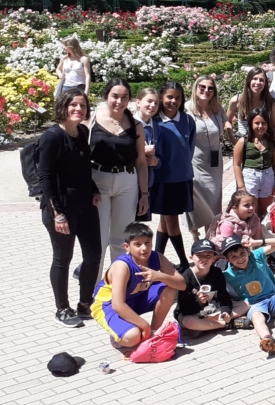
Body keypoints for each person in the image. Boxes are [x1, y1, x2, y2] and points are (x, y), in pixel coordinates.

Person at [40, 89, 103, 327]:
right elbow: (45, 177)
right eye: (73, 105)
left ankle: (85, 303)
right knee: (62, 258)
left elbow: (83, 169)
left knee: (94, 254)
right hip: (61, 208)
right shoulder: (52, 137)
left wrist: (94, 189)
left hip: (85, 204)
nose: (79, 109)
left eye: (83, 105)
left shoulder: (82, 132)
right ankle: (62, 309)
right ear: (63, 106)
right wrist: (57, 213)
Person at [92, 222, 185, 355]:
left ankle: (154, 333)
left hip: (134, 298)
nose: (144, 248)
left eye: (147, 243)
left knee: (170, 288)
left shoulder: (157, 257)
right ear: (127, 247)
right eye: (138, 244)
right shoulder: (122, 266)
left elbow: (181, 285)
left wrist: (160, 276)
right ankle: (118, 336)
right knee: (133, 337)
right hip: (108, 306)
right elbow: (118, 305)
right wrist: (144, 326)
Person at [89, 80, 149, 268]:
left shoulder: (136, 125)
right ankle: (94, 284)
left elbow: (141, 162)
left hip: (127, 182)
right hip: (98, 181)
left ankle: (119, 282)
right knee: (98, 238)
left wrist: (144, 194)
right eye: (115, 96)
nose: (119, 101)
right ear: (106, 96)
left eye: (124, 97)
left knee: (121, 239)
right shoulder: (91, 119)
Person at [222, 233, 275, 354]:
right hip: (255, 305)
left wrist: (255, 242)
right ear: (228, 259)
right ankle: (268, 340)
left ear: (248, 251)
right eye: (234, 257)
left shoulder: (256, 256)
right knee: (256, 317)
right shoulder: (227, 275)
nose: (240, 259)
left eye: (242, 253)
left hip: (274, 299)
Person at [151, 81, 196, 265]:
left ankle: (156, 258)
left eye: (178, 98)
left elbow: (189, 149)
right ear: (161, 97)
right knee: (171, 221)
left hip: (182, 178)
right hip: (163, 180)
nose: (174, 101)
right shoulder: (154, 122)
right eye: (169, 97)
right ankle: (183, 262)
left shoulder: (187, 120)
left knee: (165, 220)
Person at [174, 239, 251, 333]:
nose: (204, 259)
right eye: (199, 255)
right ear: (191, 258)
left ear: (214, 258)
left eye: (208, 255)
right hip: (191, 313)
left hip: (211, 309)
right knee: (189, 322)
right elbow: (184, 309)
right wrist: (200, 302)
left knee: (245, 304)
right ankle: (228, 324)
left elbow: (224, 297)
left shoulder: (216, 272)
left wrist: (225, 312)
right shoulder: (185, 278)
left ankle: (207, 325)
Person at [185, 76, 227, 241]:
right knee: (196, 201)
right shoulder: (186, 109)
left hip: (215, 165)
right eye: (202, 87)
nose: (206, 91)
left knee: (214, 200)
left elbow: (226, 124)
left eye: (210, 88)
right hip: (195, 163)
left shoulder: (217, 109)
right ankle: (195, 237)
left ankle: (211, 237)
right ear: (195, 88)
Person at [232, 111, 275, 219]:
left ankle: (261, 229)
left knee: (265, 211)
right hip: (250, 177)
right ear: (251, 124)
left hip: (268, 177)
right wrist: (241, 186)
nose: (260, 126)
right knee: (251, 210)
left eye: (263, 123)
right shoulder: (243, 141)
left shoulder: (272, 142)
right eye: (257, 123)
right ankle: (251, 229)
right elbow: (236, 164)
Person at [227, 67, 275, 140]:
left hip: (264, 143)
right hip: (243, 142)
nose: (258, 82)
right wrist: (232, 139)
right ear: (249, 81)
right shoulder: (236, 101)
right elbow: (227, 121)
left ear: (265, 83)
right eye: (255, 79)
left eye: (261, 80)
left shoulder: (271, 103)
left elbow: (274, 126)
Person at [133, 88, 160, 223]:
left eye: (156, 103)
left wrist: (156, 161)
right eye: (149, 101)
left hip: (147, 184)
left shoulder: (157, 127)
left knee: (139, 227)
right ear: (138, 102)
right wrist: (141, 151)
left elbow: (161, 157)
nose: (152, 106)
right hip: (130, 183)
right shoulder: (129, 124)